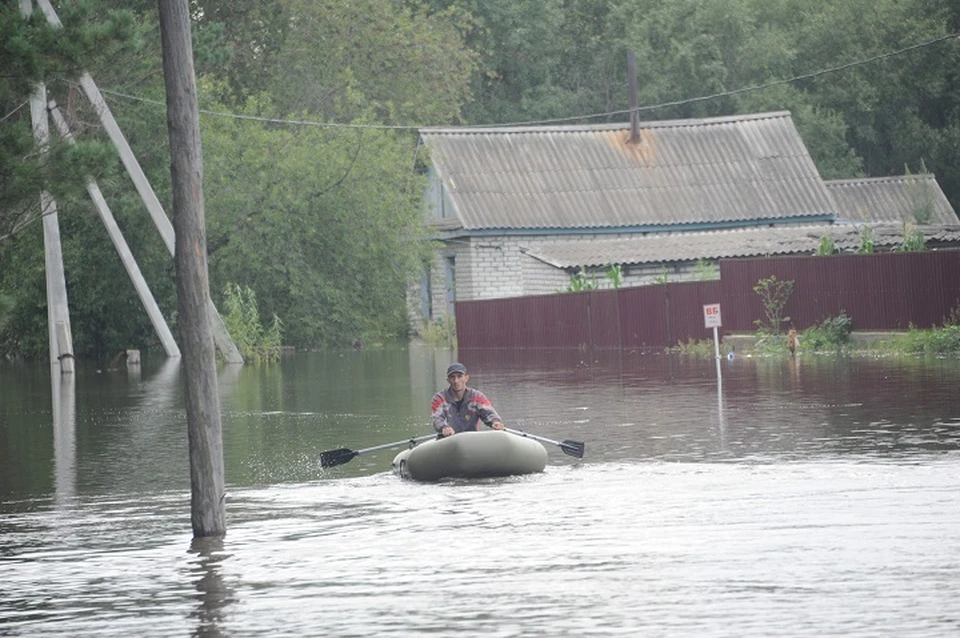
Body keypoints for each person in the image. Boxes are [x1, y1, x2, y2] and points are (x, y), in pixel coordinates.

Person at [432, 362, 505, 437]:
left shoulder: (477, 396)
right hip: (448, 439)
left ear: (466, 378)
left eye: (459, 376)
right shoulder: (439, 398)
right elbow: (438, 419)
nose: (456, 381)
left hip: (472, 439)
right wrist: (444, 427)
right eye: (452, 377)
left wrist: (495, 422)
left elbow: (488, 412)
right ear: (448, 380)